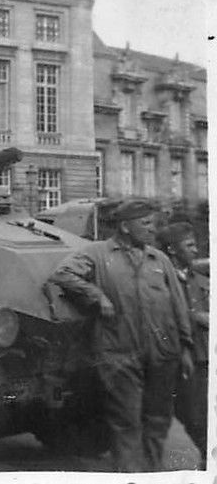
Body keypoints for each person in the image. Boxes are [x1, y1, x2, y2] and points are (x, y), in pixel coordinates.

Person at [48, 199, 193, 471]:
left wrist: (185, 346)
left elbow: (178, 305)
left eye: (153, 223)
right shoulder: (97, 254)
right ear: (125, 227)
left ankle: (152, 472)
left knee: (158, 419)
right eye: (145, 223)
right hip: (119, 354)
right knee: (126, 421)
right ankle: (129, 474)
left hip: (162, 354)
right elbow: (63, 274)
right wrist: (96, 296)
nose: (152, 229)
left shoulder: (158, 258)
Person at [157, 221, 209, 468]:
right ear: (173, 250)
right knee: (194, 417)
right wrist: (197, 316)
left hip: (202, 357)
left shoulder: (196, 277)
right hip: (178, 358)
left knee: (201, 416)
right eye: (189, 245)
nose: (196, 250)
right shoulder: (161, 280)